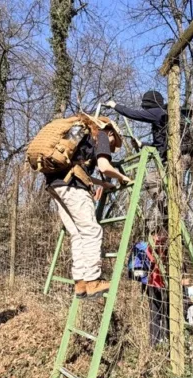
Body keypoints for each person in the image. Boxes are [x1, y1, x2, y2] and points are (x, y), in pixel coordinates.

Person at [46, 116, 132, 299]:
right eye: (112, 143)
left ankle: (80, 284)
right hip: (73, 187)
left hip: (56, 185)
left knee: (77, 234)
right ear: (110, 132)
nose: (110, 148)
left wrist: (103, 184)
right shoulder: (101, 134)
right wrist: (121, 177)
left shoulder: (82, 138)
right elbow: (104, 166)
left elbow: (80, 171)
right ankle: (93, 281)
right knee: (92, 231)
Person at [105, 92, 168, 222]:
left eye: (145, 107)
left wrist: (115, 106)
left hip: (173, 160)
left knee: (152, 181)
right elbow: (160, 145)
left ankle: (168, 214)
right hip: (173, 158)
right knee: (158, 184)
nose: (145, 110)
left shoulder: (158, 112)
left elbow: (134, 114)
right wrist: (141, 144)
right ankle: (167, 213)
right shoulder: (162, 118)